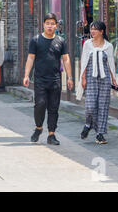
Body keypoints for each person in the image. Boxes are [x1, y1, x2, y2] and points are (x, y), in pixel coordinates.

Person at [23, 12, 73, 146]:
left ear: (56, 25)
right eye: (47, 23)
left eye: (52, 24)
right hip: (40, 79)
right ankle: (39, 128)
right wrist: (26, 75)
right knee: (40, 104)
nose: (50, 26)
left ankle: (52, 134)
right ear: (43, 25)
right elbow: (31, 58)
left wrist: (70, 77)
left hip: (55, 79)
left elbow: (66, 59)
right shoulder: (36, 40)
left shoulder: (61, 41)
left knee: (53, 108)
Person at [77, 21, 117, 145]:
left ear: (101, 31)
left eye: (95, 29)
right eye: (91, 29)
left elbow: (111, 64)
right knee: (90, 106)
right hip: (91, 78)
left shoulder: (108, 46)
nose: (92, 31)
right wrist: (83, 78)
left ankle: (100, 133)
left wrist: (114, 79)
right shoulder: (88, 44)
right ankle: (88, 124)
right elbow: (83, 62)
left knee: (103, 106)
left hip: (104, 79)